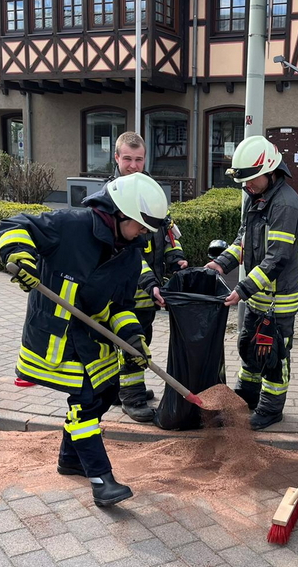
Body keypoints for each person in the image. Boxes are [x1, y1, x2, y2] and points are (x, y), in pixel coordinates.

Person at [0, 173, 169, 507]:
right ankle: (101, 480)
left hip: (91, 338)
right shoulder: (71, 226)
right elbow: (15, 224)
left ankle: (70, 459)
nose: (144, 234)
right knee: (86, 403)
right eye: (141, 225)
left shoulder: (130, 257)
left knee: (105, 395)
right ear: (120, 214)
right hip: (57, 339)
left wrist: (133, 339)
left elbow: (120, 307)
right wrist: (20, 255)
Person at [204, 135, 298, 430]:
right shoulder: (255, 196)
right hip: (259, 295)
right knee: (249, 346)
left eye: (251, 179)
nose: (246, 185)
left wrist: (242, 288)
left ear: (271, 171)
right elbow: (243, 240)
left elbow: (277, 258)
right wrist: (221, 263)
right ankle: (246, 396)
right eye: (243, 180)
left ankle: (271, 408)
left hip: (279, 297)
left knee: (274, 354)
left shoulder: (285, 204)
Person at [111, 132, 189, 422]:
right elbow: (127, 254)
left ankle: (125, 388)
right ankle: (131, 398)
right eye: (127, 159)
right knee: (130, 342)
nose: (133, 165)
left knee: (142, 338)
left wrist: (175, 257)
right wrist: (149, 282)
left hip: (148, 289)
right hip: (122, 290)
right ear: (116, 158)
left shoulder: (150, 191)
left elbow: (168, 231)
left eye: (139, 159)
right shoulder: (112, 197)